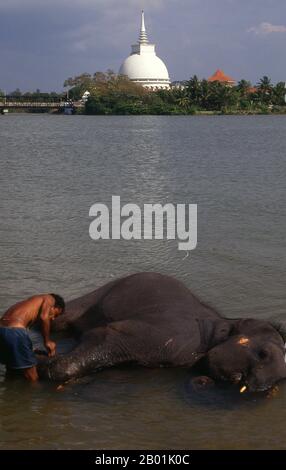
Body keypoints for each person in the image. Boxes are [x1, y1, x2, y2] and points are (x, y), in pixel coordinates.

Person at [0, 294, 65, 382]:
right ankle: (36, 394)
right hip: (14, 331)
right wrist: (47, 341)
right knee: (32, 377)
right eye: (56, 314)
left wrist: (30, 348)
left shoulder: (30, 302)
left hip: (2, 330)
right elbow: (44, 317)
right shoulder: (50, 298)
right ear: (56, 307)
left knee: (12, 371)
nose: (53, 318)